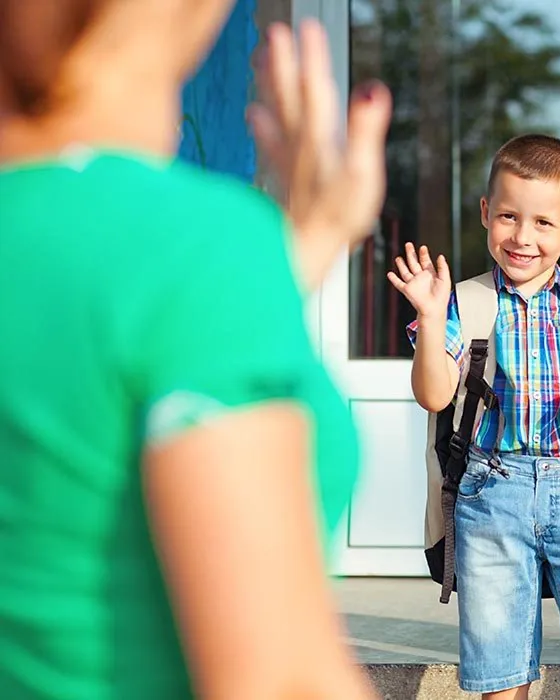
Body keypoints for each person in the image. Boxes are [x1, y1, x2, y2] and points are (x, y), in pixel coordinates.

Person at [0, 2, 390, 698]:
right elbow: (280, 683)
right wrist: (240, 267)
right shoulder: (198, 248)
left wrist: (292, 257)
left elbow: (86, 366)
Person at [388, 134, 560, 700]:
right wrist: (429, 312)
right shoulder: (461, 304)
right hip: (491, 495)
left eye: (544, 223)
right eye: (510, 217)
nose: (523, 237)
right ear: (486, 213)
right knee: (503, 675)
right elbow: (434, 396)